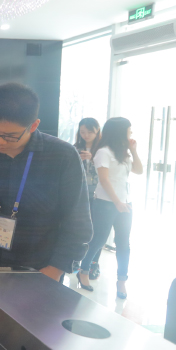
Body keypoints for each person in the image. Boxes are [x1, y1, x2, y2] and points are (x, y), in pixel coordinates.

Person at [0, 83, 92, 281]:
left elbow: (77, 220)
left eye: (10, 136)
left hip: (40, 266)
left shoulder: (62, 156)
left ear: (34, 125)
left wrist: (55, 269)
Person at [77, 117, 143, 298]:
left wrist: (133, 151)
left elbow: (139, 170)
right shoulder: (103, 152)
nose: (131, 134)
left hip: (126, 203)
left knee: (123, 243)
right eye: (129, 130)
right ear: (120, 132)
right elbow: (104, 180)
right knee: (98, 240)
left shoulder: (124, 153)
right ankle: (83, 271)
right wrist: (117, 202)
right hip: (106, 203)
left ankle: (121, 281)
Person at [74, 117, 101, 288]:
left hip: (99, 194)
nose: (86, 135)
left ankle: (92, 265)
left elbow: (106, 173)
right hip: (80, 193)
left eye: (90, 132)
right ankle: (77, 262)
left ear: (97, 131)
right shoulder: (75, 148)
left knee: (97, 231)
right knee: (81, 228)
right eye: (83, 132)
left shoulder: (102, 150)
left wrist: (92, 159)